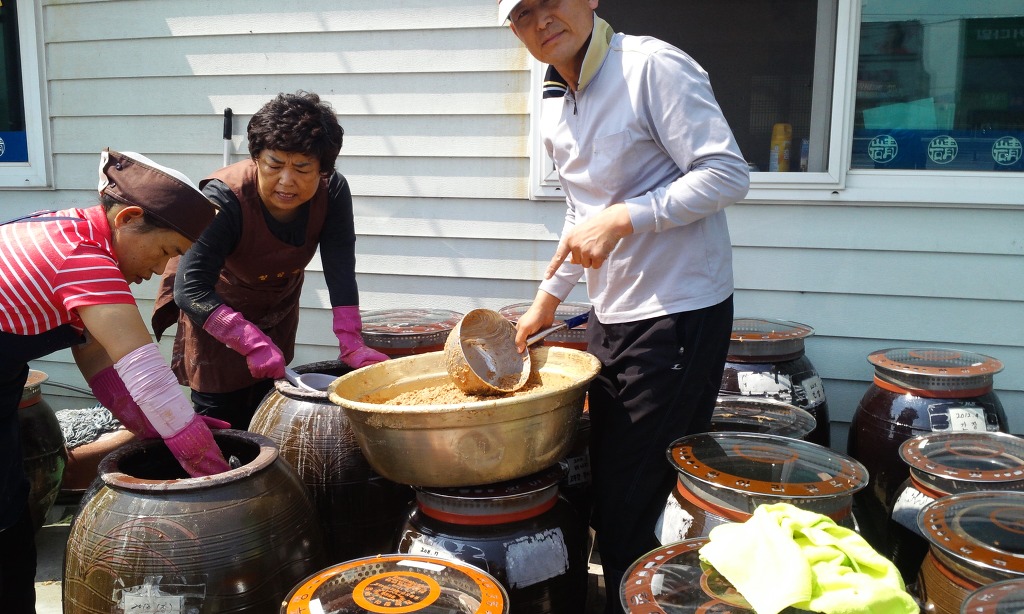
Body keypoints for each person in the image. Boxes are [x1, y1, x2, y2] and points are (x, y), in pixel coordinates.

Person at [498, 0, 750, 610]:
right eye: (523, 13)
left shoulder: (650, 67)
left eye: (550, 2)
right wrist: (546, 300)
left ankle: (634, 599)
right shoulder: (556, 96)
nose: (541, 20)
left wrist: (624, 218)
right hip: (612, 313)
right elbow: (580, 209)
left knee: (632, 497)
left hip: (678, 311)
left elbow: (725, 173)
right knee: (613, 478)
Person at [0, 149, 231, 612]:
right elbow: (150, 378)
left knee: (11, 512)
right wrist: (210, 468)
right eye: (166, 252)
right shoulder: (85, 260)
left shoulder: (73, 230)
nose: (158, 272)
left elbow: (97, 355)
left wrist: (153, 427)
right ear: (128, 218)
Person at [152, 91, 388, 430]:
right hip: (215, 315)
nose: (286, 181)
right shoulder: (223, 197)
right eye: (274, 165)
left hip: (275, 308)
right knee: (225, 424)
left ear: (323, 169)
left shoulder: (332, 190)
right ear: (256, 158)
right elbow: (190, 291)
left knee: (269, 411)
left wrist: (351, 339)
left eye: (303, 168)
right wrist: (248, 341)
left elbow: (339, 266)